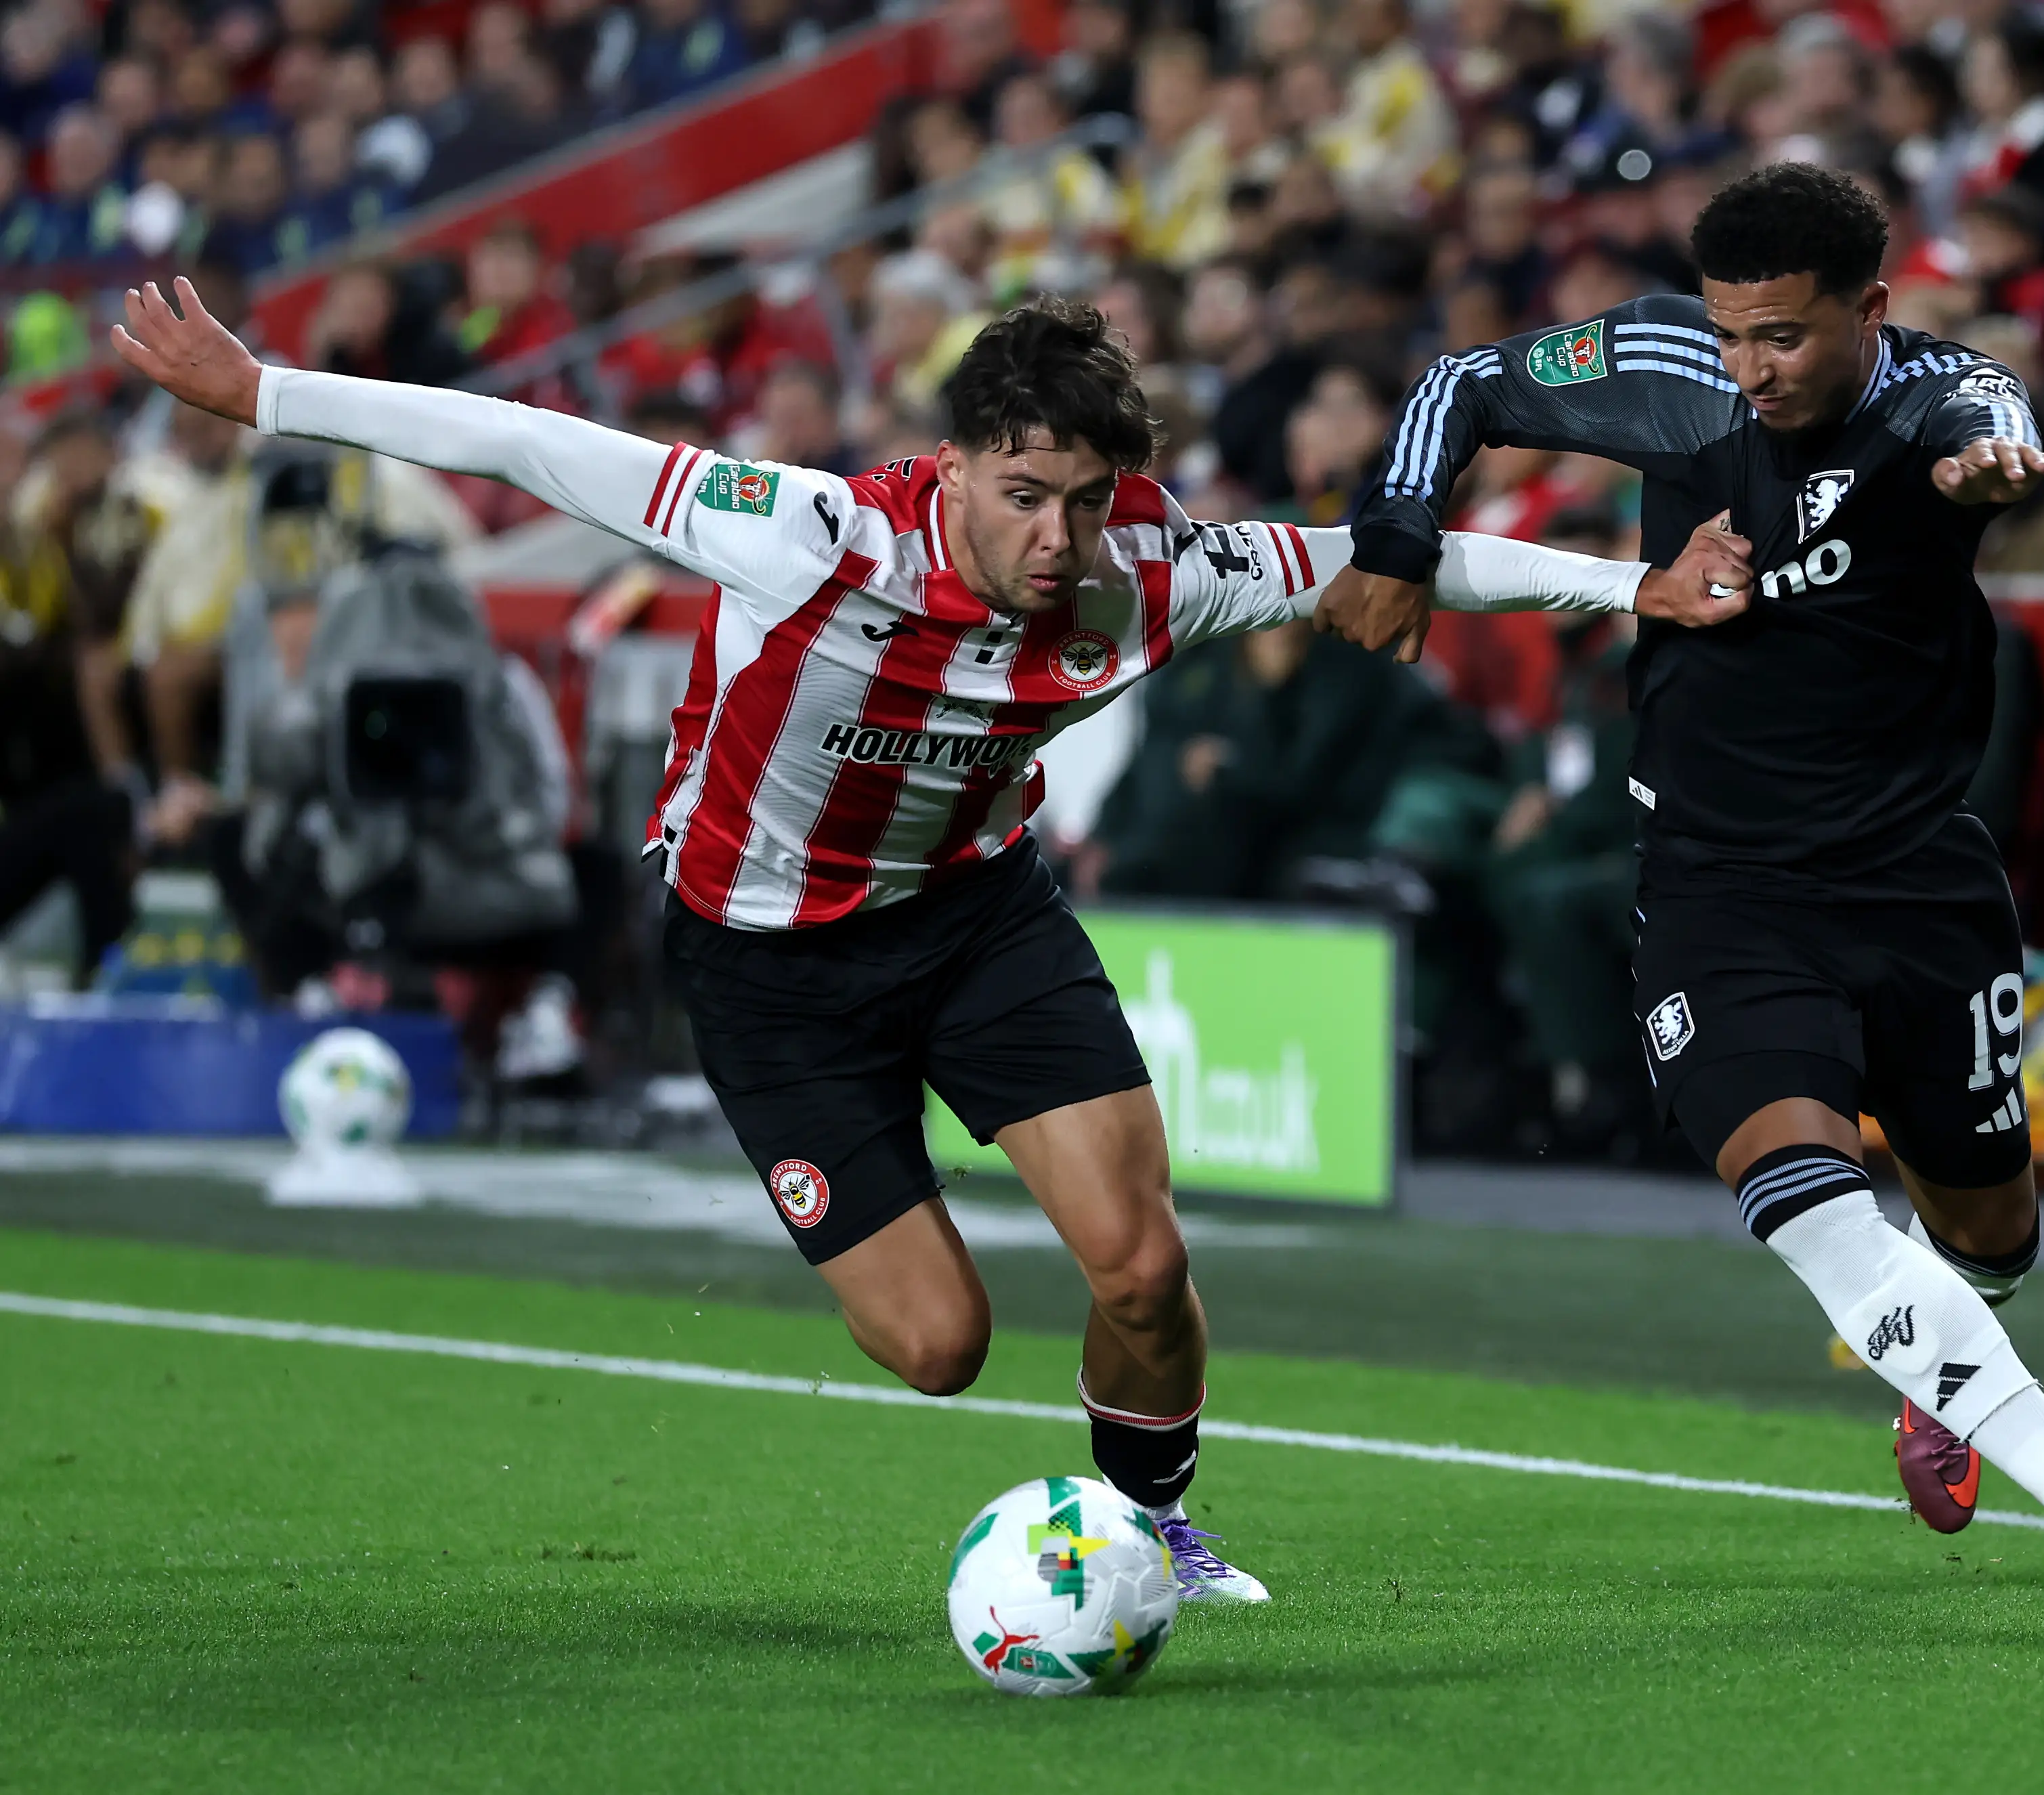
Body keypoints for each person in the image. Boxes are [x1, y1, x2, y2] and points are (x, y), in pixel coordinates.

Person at [111, 278, 1739, 1603]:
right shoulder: (805, 530)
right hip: (763, 961)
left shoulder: (1145, 580)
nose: (1056, 537)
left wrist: (1630, 589)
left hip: (976, 918)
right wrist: (271, 395)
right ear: (954, 463)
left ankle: (1152, 1522)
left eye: (1084, 504)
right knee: (939, 1348)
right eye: (1024, 495)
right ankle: (843, 1185)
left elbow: (1397, 560)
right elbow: (525, 440)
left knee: (1145, 1260)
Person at [1318, 162, 2044, 1621]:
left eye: (1785, 337)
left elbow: (1998, 425)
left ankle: (1945, 1370)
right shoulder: (1676, 365)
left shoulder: (1941, 402)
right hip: (1721, 887)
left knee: (1990, 1233)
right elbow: (1461, 381)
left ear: (1868, 309)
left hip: (1919, 877)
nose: (1752, 369)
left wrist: (1995, 469)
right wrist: (1400, 532)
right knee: (1810, 1195)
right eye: (1733, 333)